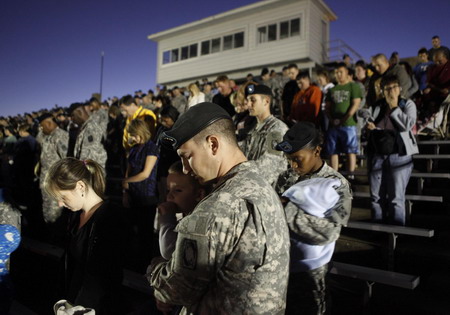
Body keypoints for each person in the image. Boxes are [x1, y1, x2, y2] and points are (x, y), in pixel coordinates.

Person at [147, 102, 290, 314]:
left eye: (187, 156)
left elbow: (177, 291)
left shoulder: (219, 205)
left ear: (213, 144)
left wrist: (154, 269)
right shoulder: (260, 185)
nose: (185, 169)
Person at [275, 122, 352, 315]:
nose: (292, 165)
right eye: (288, 159)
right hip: (278, 267)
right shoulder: (286, 176)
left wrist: (286, 209)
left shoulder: (336, 185)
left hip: (310, 275)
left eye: (297, 159)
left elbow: (328, 232)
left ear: (316, 151)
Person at [44, 158, 130, 314]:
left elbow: (104, 276)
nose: (60, 204)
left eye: (63, 197)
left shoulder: (110, 217)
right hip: (73, 303)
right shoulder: (76, 215)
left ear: (80, 186)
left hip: (94, 307)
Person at [365, 75, 418, 226]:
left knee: (396, 197)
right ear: (382, 91)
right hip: (378, 152)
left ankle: (396, 231)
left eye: (394, 87)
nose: (391, 91)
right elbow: (369, 118)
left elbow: (407, 125)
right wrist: (370, 124)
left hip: (400, 154)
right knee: (376, 196)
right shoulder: (378, 105)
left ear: (400, 89)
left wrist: (394, 107)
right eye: (387, 88)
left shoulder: (407, 104)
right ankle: (378, 228)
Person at [122, 119, 159, 264]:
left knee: (145, 234)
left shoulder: (151, 148)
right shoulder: (133, 149)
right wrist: (125, 191)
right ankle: (131, 260)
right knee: (130, 231)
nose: (132, 137)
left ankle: (144, 263)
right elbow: (128, 170)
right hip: (132, 193)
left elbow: (146, 173)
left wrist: (126, 181)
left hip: (146, 195)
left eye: (134, 134)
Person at [241, 84, 289, 185]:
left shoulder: (277, 129)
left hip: (268, 190)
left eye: (253, 100)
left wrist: (240, 173)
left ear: (266, 101)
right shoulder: (253, 130)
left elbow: (269, 165)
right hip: (252, 184)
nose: (248, 104)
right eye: (248, 100)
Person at [325, 63, 362, 175]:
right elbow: (327, 107)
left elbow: (356, 104)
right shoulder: (332, 89)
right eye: (337, 72)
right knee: (333, 151)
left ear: (346, 73)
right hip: (333, 125)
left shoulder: (353, 86)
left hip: (348, 124)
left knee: (350, 151)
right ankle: (334, 176)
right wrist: (331, 119)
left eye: (341, 72)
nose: (339, 74)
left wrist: (344, 118)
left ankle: (351, 175)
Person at [37, 113, 69, 226]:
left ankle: (56, 237)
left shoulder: (61, 136)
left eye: (42, 126)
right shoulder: (47, 135)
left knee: (56, 214)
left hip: (56, 183)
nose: (41, 129)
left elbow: (66, 160)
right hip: (46, 182)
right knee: (48, 211)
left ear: (49, 123)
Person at [69, 103, 107, 169]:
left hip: (91, 173)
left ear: (79, 112)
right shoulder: (85, 127)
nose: (72, 119)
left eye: (72, 115)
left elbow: (88, 156)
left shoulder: (91, 127)